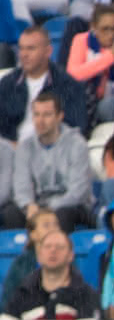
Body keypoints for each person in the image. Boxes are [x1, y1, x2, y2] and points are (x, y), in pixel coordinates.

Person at [12, 92, 93, 234]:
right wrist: (29, 205)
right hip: (37, 207)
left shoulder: (77, 144)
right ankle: (22, 253)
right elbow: (21, 185)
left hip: (73, 206)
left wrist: (47, 209)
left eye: (47, 115)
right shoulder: (25, 147)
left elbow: (78, 192)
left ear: (59, 116)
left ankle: (58, 251)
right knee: (10, 212)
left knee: (62, 214)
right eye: (36, 115)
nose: (40, 121)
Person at [0, 27, 88, 143]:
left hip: (52, 153)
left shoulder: (68, 85)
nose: (24, 54)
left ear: (48, 51)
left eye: (31, 49)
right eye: (21, 49)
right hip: (10, 151)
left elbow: (76, 129)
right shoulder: (7, 84)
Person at [2, 229, 96, 320]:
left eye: (60, 247)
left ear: (71, 255)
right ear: (39, 256)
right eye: (47, 246)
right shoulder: (23, 293)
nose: (53, 250)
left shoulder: (85, 294)